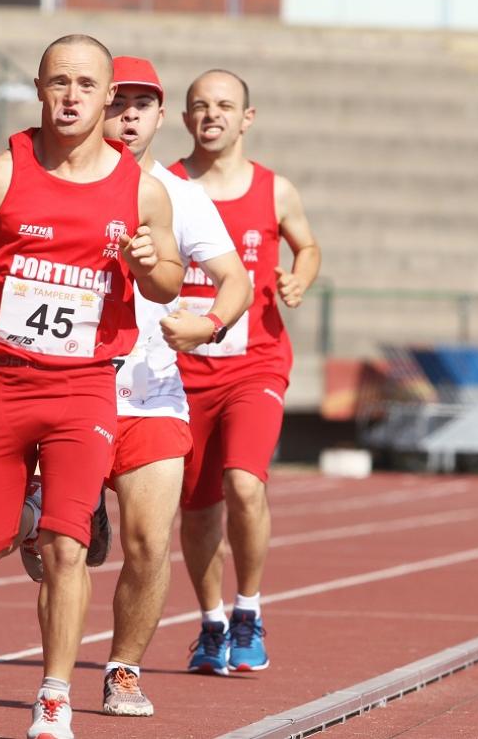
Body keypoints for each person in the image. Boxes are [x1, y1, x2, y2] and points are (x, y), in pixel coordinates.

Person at [0, 35, 182, 739]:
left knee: (68, 547)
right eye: (58, 82)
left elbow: (166, 283)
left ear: (107, 98)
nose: (71, 97)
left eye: (86, 85)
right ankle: (32, 505)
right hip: (1, 384)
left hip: (84, 388)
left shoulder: (142, 190)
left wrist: (152, 259)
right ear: (39, 88)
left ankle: (54, 695)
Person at [97, 56, 252, 716]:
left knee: (149, 543)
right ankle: (50, 514)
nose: (128, 114)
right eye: (118, 101)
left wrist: (209, 323)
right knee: (53, 547)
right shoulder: (41, 182)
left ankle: (123, 669)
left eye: (143, 103)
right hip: (67, 392)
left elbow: (236, 279)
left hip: (153, 390)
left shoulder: (183, 197)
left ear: (163, 117)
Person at [168, 69, 321, 675]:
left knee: (245, 483)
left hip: (254, 362)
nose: (212, 115)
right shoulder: (167, 186)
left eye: (225, 105)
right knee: (198, 507)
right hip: (182, 369)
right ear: (185, 120)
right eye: (200, 106)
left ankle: (249, 609)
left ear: (246, 118)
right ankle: (211, 623)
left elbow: (306, 246)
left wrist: (297, 278)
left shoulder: (274, 190)